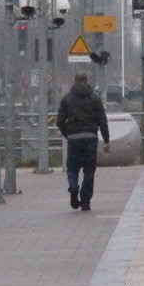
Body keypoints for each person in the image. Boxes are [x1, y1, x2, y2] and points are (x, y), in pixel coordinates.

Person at [56, 71, 110, 211]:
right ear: (87, 81)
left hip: (74, 138)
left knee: (72, 168)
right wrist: (106, 140)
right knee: (89, 170)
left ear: (74, 81)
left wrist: (67, 134)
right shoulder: (95, 98)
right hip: (91, 138)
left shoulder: (67, 98)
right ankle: (85, 201)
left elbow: (59, 121)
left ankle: (73, 187)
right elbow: (102, 120)